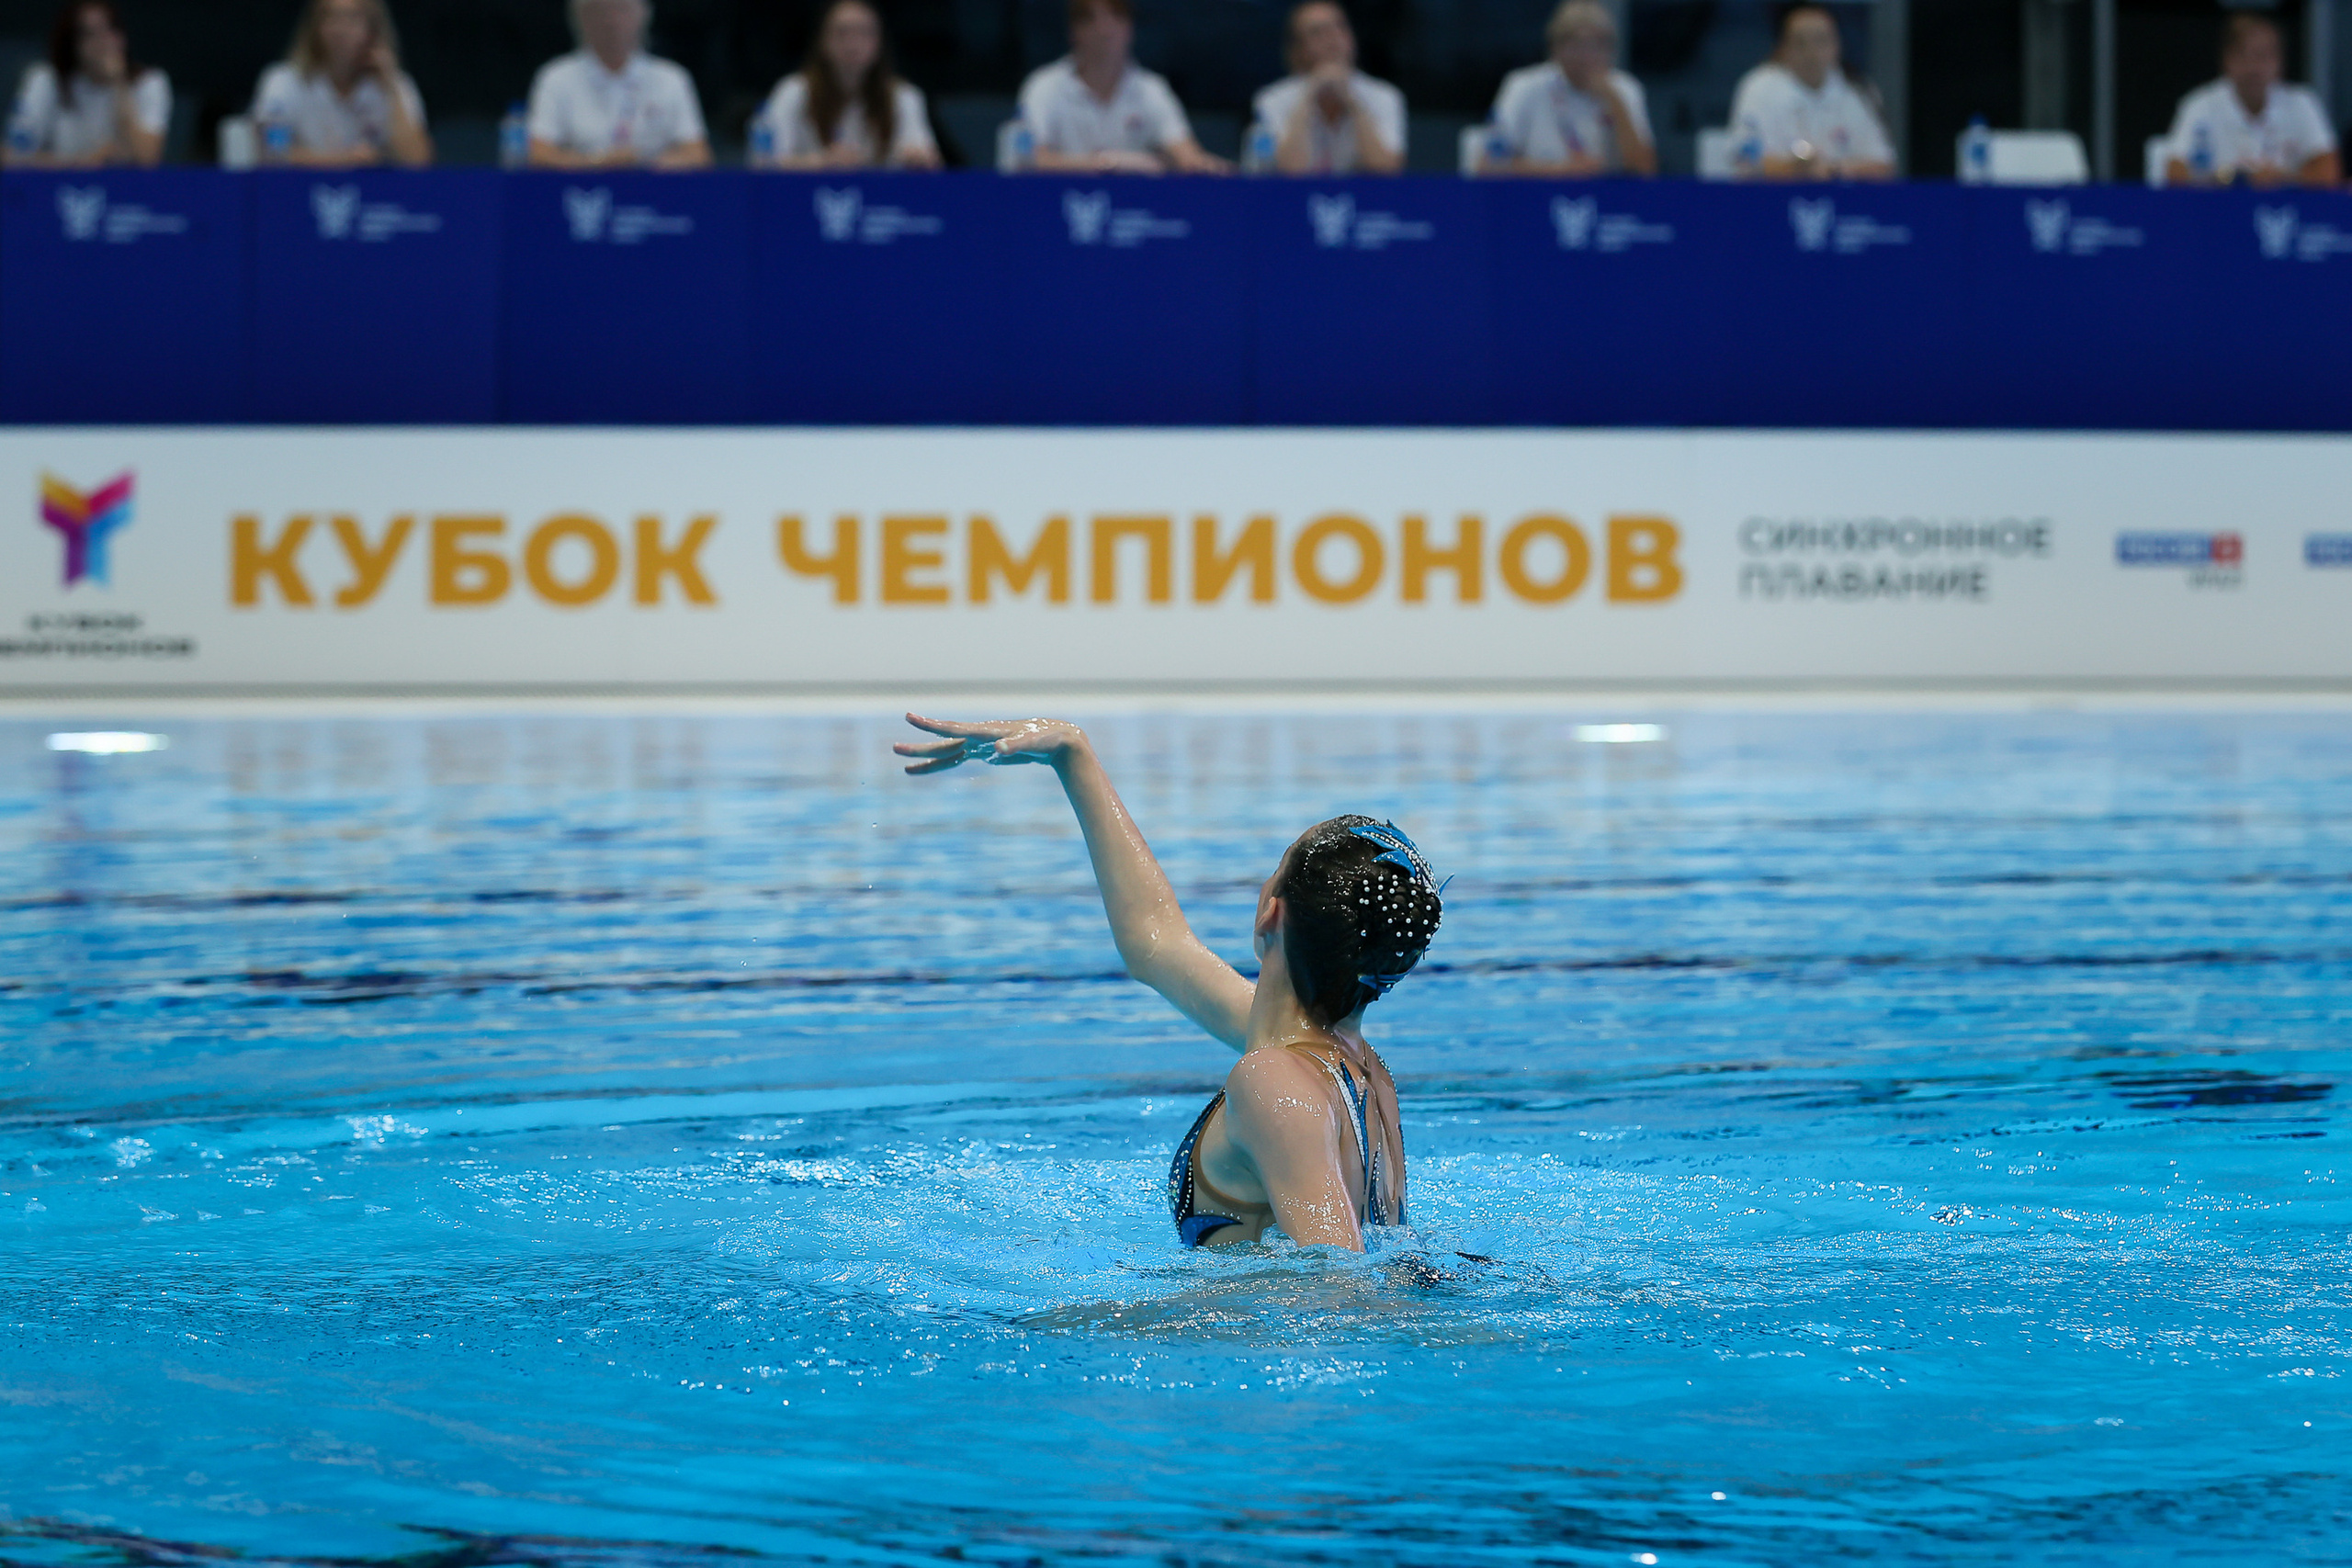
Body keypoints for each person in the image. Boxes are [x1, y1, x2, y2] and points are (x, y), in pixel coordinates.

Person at [894, 715, 1442, 1252]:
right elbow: (1156, 943)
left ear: (1268, 917)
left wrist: (1136, 1317)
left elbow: (1341, 1291)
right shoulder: (1352, 1068)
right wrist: (1072, 754)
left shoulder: (1274, 1081)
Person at [1017, 0, 1227, 174]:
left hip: (1133, 209)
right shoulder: (1043, 86)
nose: (1105, 29)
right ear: (1074, 32)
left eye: (1116, 17)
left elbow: (1186, 154)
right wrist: (1108, 163)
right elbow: (1030, 159)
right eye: (1092, 19)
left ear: (1130, 28)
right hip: (1055, 206)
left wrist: (1211, 167)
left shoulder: (1152, 89)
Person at [754, 0, 939, 170]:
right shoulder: (793, 92)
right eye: (842, 33)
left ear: (880, 41)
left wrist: (919, 160)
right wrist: (820, 162)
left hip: (881, 200)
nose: (853, 44)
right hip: (805, 198)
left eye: (864, 33)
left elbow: (929, 160)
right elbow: (765, 164)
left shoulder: (904, 96)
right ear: (823, 41)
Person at [527, 0, 711, 170]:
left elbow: (698, 155)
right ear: (580, 19)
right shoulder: (555, 78)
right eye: (599, 12)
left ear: (643, 15)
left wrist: (644, 166)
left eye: (621, 10)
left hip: (654, 192)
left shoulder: (672, 78)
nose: (611, 21)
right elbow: (539, 155)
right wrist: (599, 163)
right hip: (579, 193)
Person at [2164, 14, 2339, 188]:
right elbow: (2175, 172)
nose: (2253, 67)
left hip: (2284, 210)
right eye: (2244, 55)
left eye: (2263, 55)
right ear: (2227, 59)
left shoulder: (2301, 103)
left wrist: (2282, 178)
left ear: (2280, 61)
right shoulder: (2199, 105)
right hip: (2219, 209)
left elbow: (2328, 172)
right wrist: (2229, 180)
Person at [1482, 0, 1656, 177]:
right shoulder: (1523, 86)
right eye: (1576, 46)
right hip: (1537, 197)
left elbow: (1644, 170)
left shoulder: (1625, 88)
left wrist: (1614, 100)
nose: (1586, 56)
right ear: (1555, 48)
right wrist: (1562, 171)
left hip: (1609, 200)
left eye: (1597, 46)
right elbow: (1488, 165)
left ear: (1611, 50)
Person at [249, 0, 431, 168]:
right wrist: (345, 160)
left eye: (353, 18)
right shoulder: (284, 82)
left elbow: (418, 161)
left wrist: (390, 87)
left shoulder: (395, 84)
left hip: (371, 196)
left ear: (373, 29)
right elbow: (274, 153)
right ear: (316, 26)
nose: (341, 29)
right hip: (297, 193)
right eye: (331, 17)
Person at [1727, 2, 1894, 181]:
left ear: (1837, 45)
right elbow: (1745, 163)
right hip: (1772, 200)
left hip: (1843, 201)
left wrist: (1833, 170)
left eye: (1821, 41)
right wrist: (1796, 169)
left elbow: (1884, 165)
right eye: (1800, 43)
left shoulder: (1859, 89)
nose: (1811, 52)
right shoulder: (1758, 87)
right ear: (1783, 48)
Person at [4, 2, 168, 169]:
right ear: (72, 44)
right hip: (56, 188)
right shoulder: (45, 80)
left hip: (121, 192)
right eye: (90, 34)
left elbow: (148, 159)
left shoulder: (149, 82)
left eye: (110, 29)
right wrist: (83, 163)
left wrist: (119, 83)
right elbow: (11, 156)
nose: (104, 42)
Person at [1249, 2, 1404, 175]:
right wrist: (1309, 95)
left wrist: (1352, 101)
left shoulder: (1384, 95)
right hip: (1295, 199)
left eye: (1340, 26)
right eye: (1317, 32)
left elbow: (1387, 171)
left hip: (1363, 199)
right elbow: (1287, 172)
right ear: (1298, 49)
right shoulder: (1271, 100)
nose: (1332, 38)